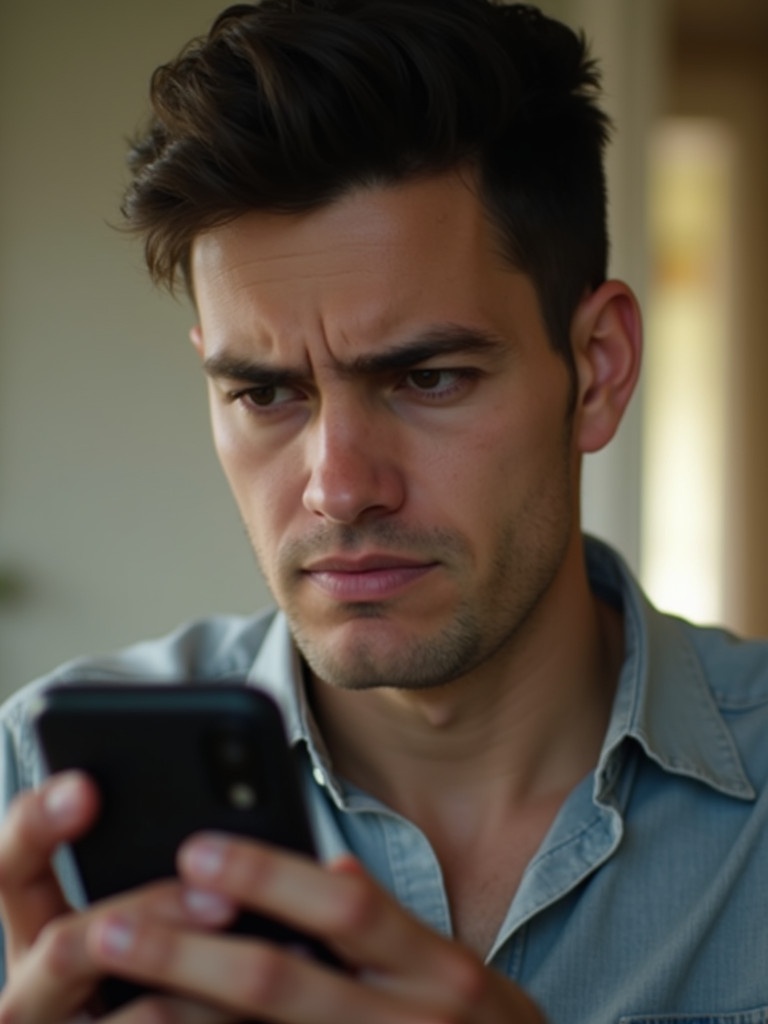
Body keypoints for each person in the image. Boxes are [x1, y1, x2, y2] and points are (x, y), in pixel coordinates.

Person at [1, 1, 767, 1022]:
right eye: (265, 392)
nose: (340, 487)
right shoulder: (33, 787)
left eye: (429, 379)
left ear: (596, 369)